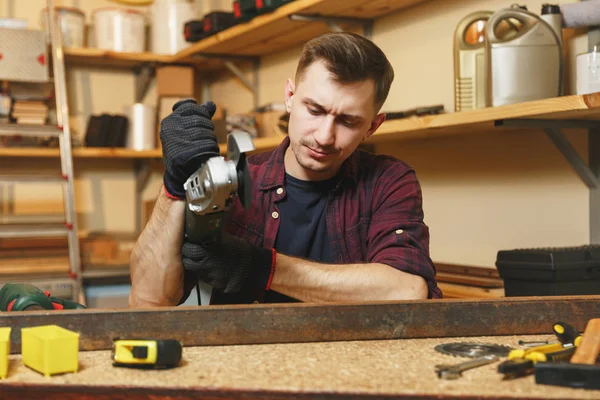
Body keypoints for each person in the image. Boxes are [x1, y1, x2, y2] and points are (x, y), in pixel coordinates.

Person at [129, 32, 442, 307]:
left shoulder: (388, 181)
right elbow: (148, 302)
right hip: (240, 364)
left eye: (348, 121)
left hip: (350, 363)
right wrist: (173, 188)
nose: (324, 136)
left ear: (373, 126)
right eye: (315, 110)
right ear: (290, 97)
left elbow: (408, 290)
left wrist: (262, 268)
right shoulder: (233, 183)